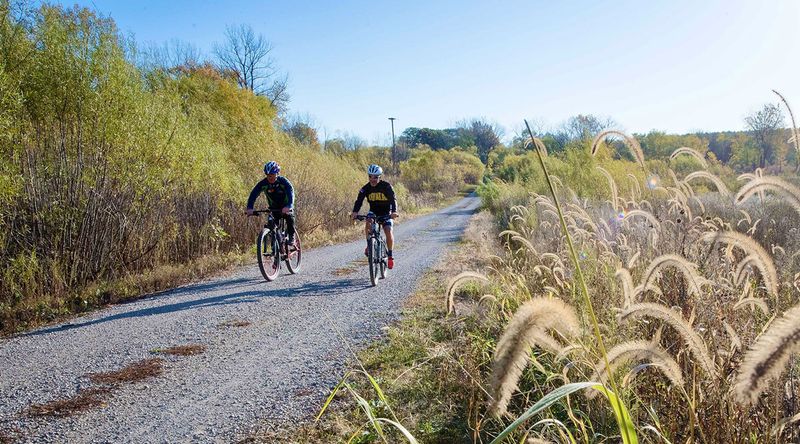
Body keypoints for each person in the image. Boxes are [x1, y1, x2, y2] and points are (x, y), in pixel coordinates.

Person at [351, 164, 398, 269]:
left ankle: (390, 256)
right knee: (368, 221)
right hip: (374, 212)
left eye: (375, 177)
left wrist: (394, 212)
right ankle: (369, 245)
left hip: (386, 212)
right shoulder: (365, 188)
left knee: (388, 230)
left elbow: (393, 199)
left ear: (379, 177)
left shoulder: (386, 186)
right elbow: (359, 201)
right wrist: (355, 212)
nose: (372, 179)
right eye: (370, 177)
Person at [246, 161, 296, 247]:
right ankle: (275, 247)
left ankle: (292, 236)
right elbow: (253, 194)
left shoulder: (283, 182)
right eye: (268, 175)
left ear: (277, 173)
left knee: (289, 217)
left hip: (285, 206)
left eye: (272, 175)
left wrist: (289, 205)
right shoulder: (263, 184)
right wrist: (250, 207)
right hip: (274, 208)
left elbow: (291, 192)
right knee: (271, 223)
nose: (270, 177)